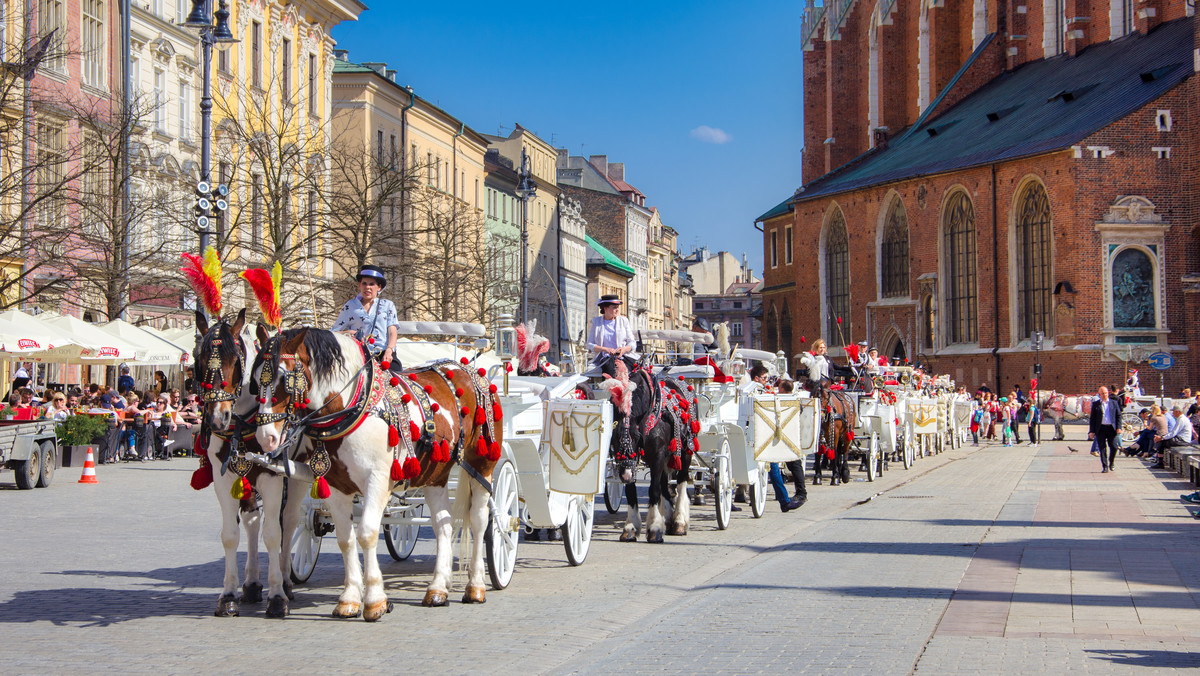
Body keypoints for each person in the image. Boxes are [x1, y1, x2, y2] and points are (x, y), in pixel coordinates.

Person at [332, 264, 400, 372]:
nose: (367, 287)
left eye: (372, 284)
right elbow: (334, 332)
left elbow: (392, 331)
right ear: (359, 285)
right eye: (364, 283)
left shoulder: (387, 305)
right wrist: (349, 333)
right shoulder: (351, 306)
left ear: (379, 287)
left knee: (395, 380)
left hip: (384, 355)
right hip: (358, 357)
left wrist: (389, 350)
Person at [586, 294, 638, 378]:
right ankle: (613, 389)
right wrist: (605, 349)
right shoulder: (596, 322)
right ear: (605, 308)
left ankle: (627, 388)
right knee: (610, 368)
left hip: (624, 356)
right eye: (614, 307)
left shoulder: (623, 321)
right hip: (606, 357)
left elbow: (632, 342)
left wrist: (623, 349)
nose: (617, 310)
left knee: (626, 370)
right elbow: (589, 344)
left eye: (617, 307)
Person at [1088, 385, 1123, 473]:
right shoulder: (1096, 404)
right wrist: (1091, 431)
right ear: (1099, 394)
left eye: (1106, 393)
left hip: (1111, 428)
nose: (1104, 395)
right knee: (1102, 448)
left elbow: (1119, 415)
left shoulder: (1113, 403)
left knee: (1114, 447)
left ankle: (1112, 462)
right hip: (1101, 429)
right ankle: (1105, 466)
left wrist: (1119, 427)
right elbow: (1093, 418)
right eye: (1102, 393)